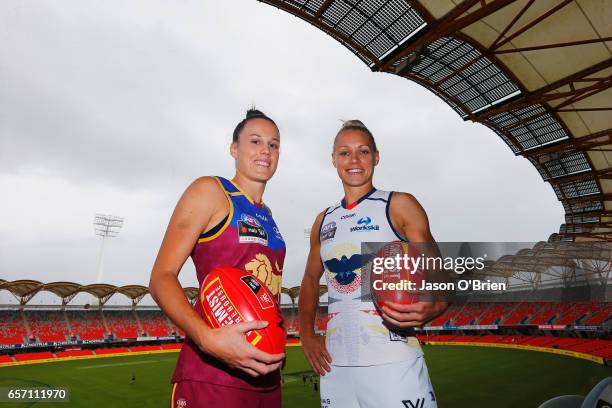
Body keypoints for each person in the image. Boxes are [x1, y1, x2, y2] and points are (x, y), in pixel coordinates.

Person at [299, 120, 448, 408]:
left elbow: (439, 270)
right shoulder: (324, 220)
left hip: (393, 363)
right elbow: (309, 278)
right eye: (344, 153)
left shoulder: (399, 205)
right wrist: (306, 333)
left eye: (363, 151)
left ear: (376, 157)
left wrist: (437, 303)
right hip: (335, 367)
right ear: (334, 160)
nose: (353, 160)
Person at [149, 109, 286, 407]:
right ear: (234, 149)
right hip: (212, 375)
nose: (266, 150)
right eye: (255, 141)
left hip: (266, 378)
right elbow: (161, 277)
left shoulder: (268, 215)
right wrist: (206, 339)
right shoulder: (211, 191)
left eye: (273, 144)